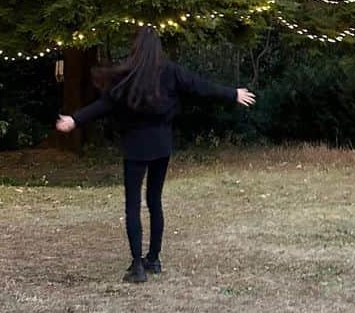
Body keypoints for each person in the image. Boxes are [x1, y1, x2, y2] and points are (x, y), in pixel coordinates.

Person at [55, 27, 256, 282]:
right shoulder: (170, 72)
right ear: (158, 48)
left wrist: (75, 120)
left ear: (135, 47)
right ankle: (154, 259)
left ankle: (138, 265)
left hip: (135, 147)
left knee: (133, 205)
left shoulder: (126, 76)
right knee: (154, 201)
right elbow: (199, 86)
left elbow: (104, 105)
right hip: (161, 146)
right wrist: (232, 93)